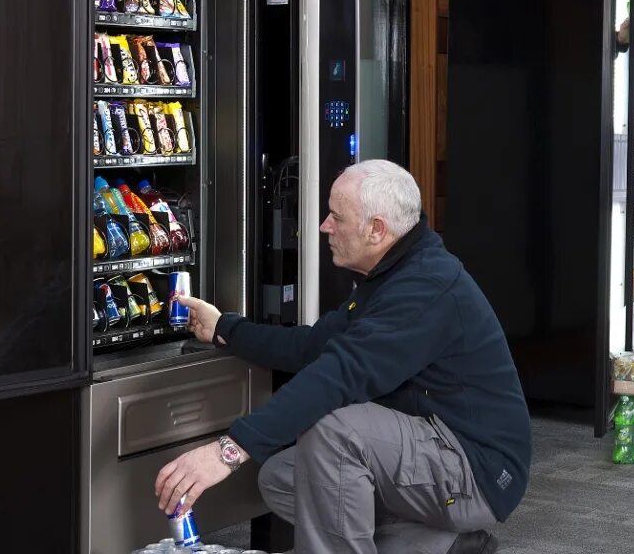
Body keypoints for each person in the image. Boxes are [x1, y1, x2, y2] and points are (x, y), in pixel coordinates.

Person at [154, 159, 532, 553]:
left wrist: (226, 452)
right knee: (285, 476)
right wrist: (225, 329)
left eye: (336, 216)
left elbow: (337, 375)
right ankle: (443, 544)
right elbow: (314, 347)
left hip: (476, 471)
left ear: (376, 230)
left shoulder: (424, 288)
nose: (324, 226)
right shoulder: (392, 274)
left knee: (336, 433)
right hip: (441, 451)